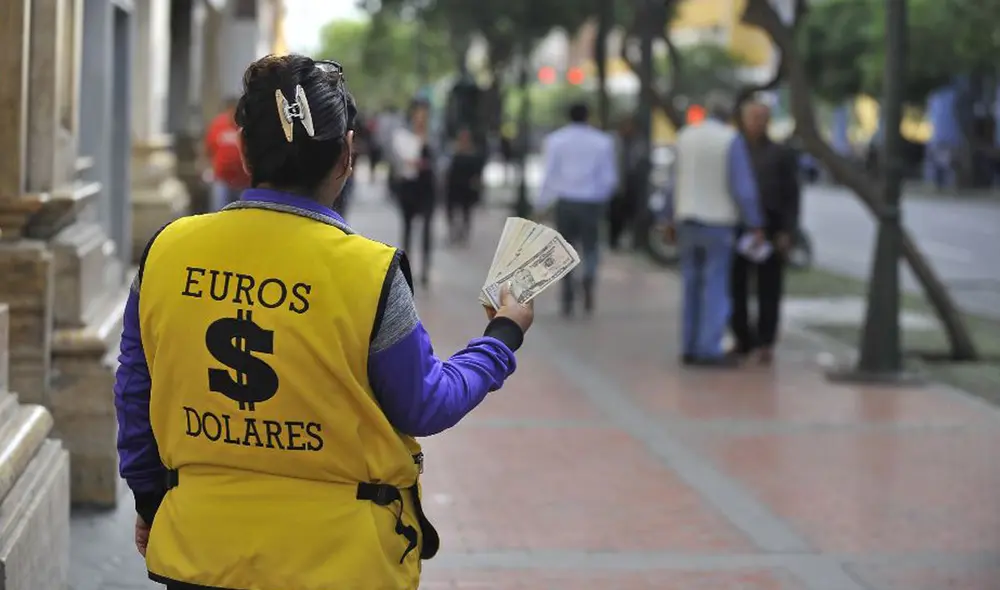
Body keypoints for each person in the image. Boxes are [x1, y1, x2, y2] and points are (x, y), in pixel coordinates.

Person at [114, 54, 535, 590]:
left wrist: (153, 499)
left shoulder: (165, 253)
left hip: (199, 551)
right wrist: (502, 336)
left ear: (243, 150)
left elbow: (135, 391)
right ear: (347, 156)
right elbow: (425, 403)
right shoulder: (370, 272)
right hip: (342, 563)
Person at [661, 91, 764, 367]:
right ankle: (709, 347)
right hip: (718, 222)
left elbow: (672, 183)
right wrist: (755, 222)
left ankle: (689, 345)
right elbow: (742, 188)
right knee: (716, 285)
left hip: (687, 218)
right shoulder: (730, 140)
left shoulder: (685, 136)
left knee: (691, 285)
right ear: (729, 114)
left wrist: (667, 217)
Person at [729, 100, 801, 364]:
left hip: (772, 229)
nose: (758, 122)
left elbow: (792, 195)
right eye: (753, 117)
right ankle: (742, 339)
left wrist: (787, 231)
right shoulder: (734, 150)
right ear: (744, 119)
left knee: (769, 288)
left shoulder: (781, 153)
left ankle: (766, 341)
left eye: (763, 117)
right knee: (736, 287)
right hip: (739, 229)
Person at [536, 102, 618, 317]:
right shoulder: (603, 142)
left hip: (566, 202)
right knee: (591, 247)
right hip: (591, 202)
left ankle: (567, 296)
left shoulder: (556, 140)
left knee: (565, 252)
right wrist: (602, 199)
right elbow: (609, 178)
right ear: (588, 116)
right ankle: (588, 276)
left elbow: (549, 175)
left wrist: (541, 203)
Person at [393, 100, 437, 287]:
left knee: (427, 228)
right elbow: (401, 159)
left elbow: (440, 159)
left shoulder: (434, 135)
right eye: (418, 114)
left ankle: (426, 270)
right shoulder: (404, 135)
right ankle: (406, 267)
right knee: (408, 227)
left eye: (424, 115)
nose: (421, 118)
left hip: (427, 186)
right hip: (409, 186)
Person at [204, 97, 251, 211]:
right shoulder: (218, 125)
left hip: (243, 182)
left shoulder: (246, 126)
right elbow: (208, 148)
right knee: (218, 211)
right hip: (222, 180)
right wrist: (207, 168)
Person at [445, 127, 485, 246]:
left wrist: (477, 182)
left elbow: (477, 170)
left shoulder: (473, 152)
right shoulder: (453, 151)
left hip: (467, 186)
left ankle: (463, 232)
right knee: (451, 209)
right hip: (454, 185)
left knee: (466, 210)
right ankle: (454, 231)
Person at [608, 116, 643, 250]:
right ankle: (613, 240)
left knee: (630, 214)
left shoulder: (637, 143)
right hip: (617, 184)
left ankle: (627, 240)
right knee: (616, 215)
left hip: (631, 184)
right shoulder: (614, 141)